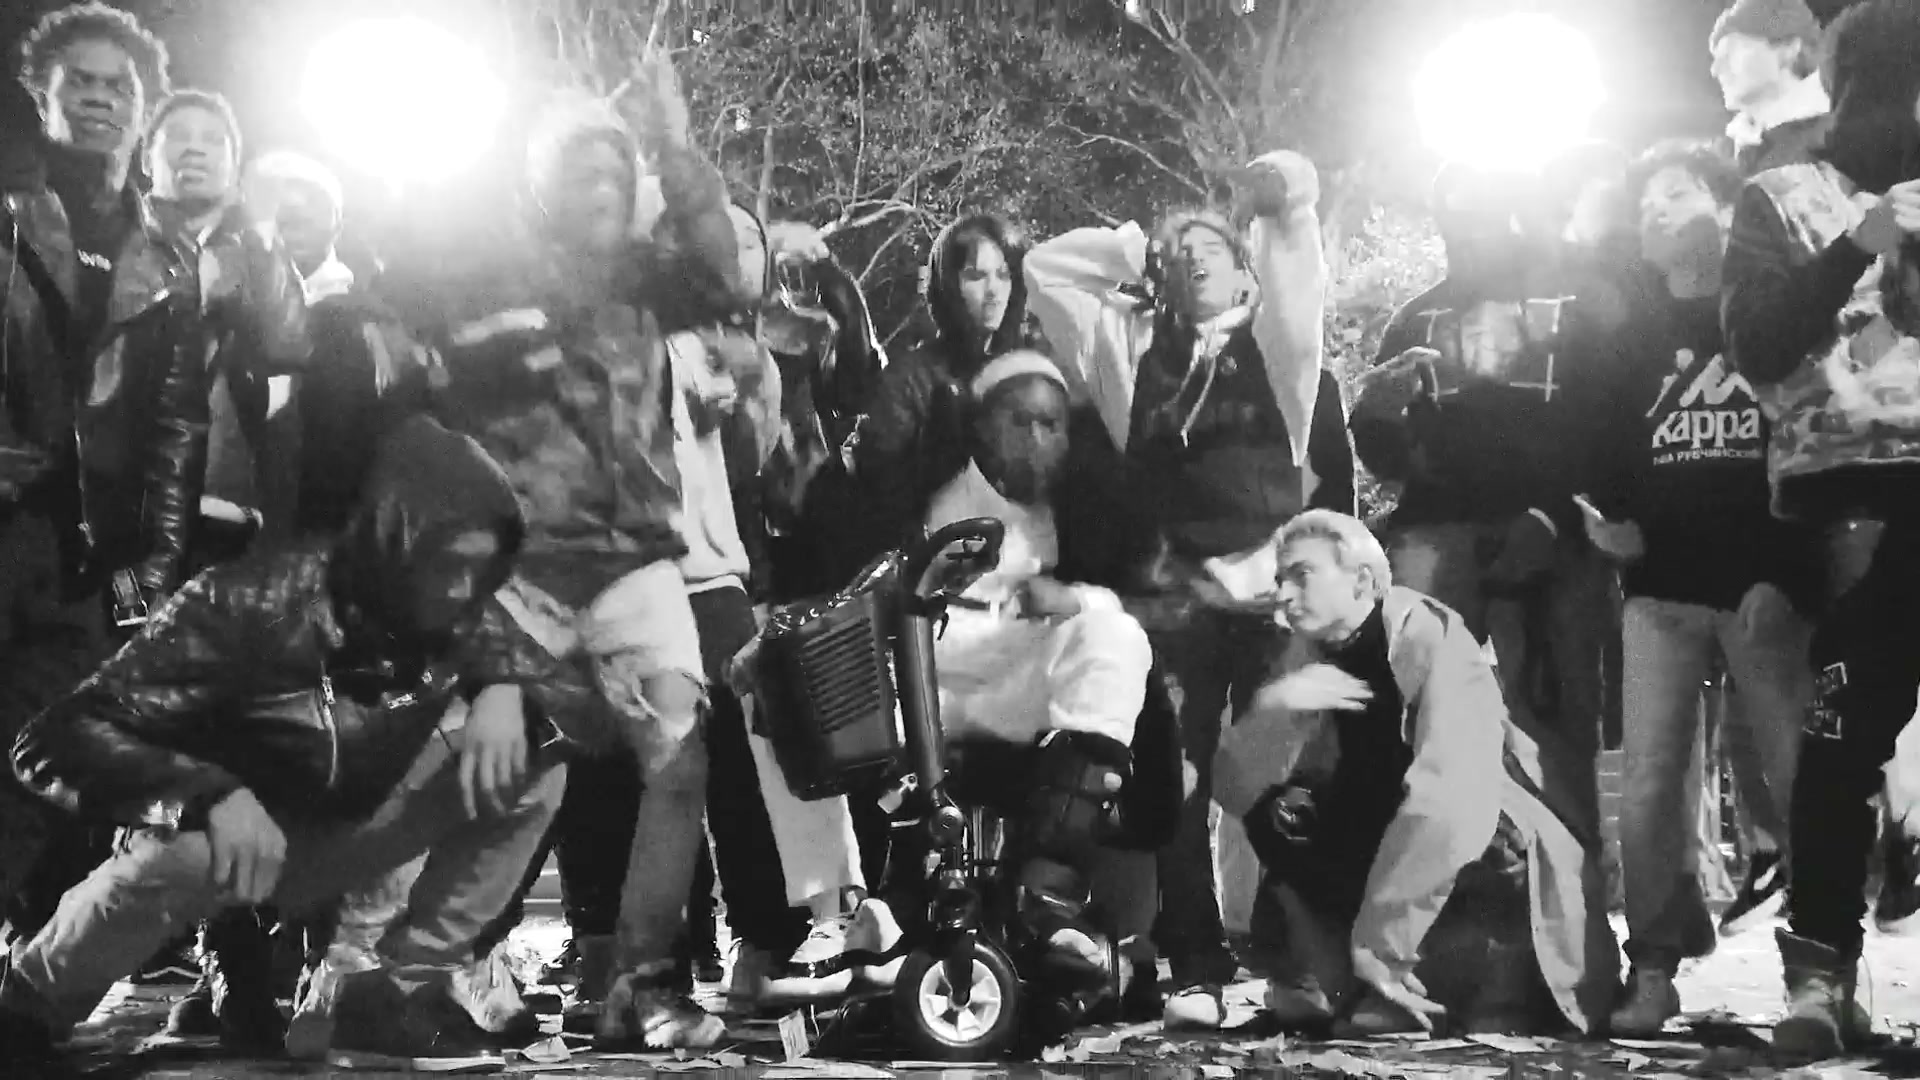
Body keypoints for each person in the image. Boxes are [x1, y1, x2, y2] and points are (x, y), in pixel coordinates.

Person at [0, 415, 569, 1070]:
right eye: (447, 564)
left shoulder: (461, 607)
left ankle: (389, 991)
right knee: (187, 857)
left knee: (537, 755)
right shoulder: (246, 603)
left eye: (480, 570)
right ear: (394, 542)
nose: (461, 589)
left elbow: (576, 699)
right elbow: (52, 740)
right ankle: (31, 1001)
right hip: (224, 840)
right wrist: (207, 793)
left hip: (343, 830)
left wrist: (506, 686)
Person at [431, 58, 743, 1049]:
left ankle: (644, 984)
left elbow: (725, 275)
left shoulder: (652, 278)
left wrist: (677, 149)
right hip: (523, 566)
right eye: (580, 171)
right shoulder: (491, 279)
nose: (601, 185)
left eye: (616, 169)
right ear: (542, 186)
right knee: (505, 766)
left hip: (636, 560)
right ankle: (451, 956)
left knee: (680, 757)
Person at [1213, 510, 1617, 1037]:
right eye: (1280, 580)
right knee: (1282, 815)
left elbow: (1451, 797)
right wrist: (1272, 711)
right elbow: (1238, 792)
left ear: (1361, 581)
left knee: (1493, 842)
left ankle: (1440, 986)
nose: (1284, 595)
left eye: (1302, 575)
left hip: (1463, 835)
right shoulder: (1303, 656)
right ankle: (1339, 978)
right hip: (1376, 835)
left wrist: (1382, 947)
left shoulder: (1428, 636)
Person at [1720, 0, 1920, 1059]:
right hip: (1851, 496)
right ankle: (1820, 976)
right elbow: (1759, 348)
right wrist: (1861, 243)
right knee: (1842, 740)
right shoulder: (1783, 195)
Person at [1581, 141, 1812, 1036]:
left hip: (1761, 590)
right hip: (1660, 592)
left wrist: (1785, 568)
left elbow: (1809, 438)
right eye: (1646, 200)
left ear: (1727, 206)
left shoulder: (1769, 316)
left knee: (1797, 779)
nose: (1654, 210)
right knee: (1648, 787)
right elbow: (1604, 446)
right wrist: (1608, 519)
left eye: (1675, 194)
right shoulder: (1628, 332)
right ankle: (1652, 968)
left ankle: (1820, 971)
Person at [0, 1, 206, 945]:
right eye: (76, 81)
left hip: (89, 558)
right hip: (8, 526)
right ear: (40, 95)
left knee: (44, 772)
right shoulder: (8, 215)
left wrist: (149, 573)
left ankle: (22, 976)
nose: (97, 97)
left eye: (116, 85)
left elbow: (176, 426)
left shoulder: (166, 257)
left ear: (142, 107)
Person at [1709, 0, 1830, 176]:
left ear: (1788, 48)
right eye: (1717, 58)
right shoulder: (1724, 152)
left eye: (1732, 51)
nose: (1715, 70)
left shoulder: (1839, 140)